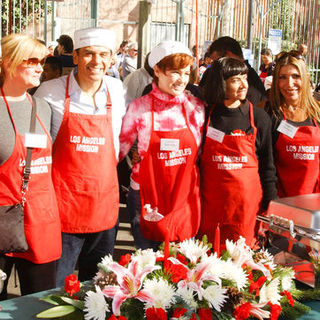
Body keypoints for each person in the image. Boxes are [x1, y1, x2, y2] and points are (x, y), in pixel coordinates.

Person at [35, 27, 126, 286]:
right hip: (62, 207)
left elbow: (119, 142)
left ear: (111, 59)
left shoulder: (117, 90)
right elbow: (42, 151)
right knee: (55, 287)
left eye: (103, 55)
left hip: (103, 205)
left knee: (96, 288)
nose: (96, 62)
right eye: (88, 54)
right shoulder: (50, 92)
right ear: (75, 57)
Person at [119, 40, 205, 250]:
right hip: (146, 197)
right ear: (156, 70)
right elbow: (118, 151)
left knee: (182, 267)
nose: (181, 80)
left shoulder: (196, 109)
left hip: (184, 197)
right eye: (175, 72)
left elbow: (201, 154)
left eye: (186, 73)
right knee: (148, 265)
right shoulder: (139, 108)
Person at [0, 34, 61, 299]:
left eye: (42, 61)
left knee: (40, 305)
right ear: (8, 63)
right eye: (32, 61)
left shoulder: (44, 108)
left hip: (41, 222)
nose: (40, 68)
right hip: (3, 226)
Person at [199, 57, 277, 248]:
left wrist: (270, 204)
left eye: (245, 77)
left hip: (247, 210)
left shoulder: (259, 118)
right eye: (235, 80)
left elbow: (268, 167)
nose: (243, 84)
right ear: (220, 83)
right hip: (211, 208)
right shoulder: (204, 116)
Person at [266, 51, 320, 197]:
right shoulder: (270, 115)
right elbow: (266, 167)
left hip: (315, 205)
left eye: (295, 76)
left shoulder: (318, 113)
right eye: (283, 77)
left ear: (305, 78)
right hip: (282, 206)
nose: (289, 84)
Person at [200, 36, 266, 107]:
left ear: (228, 55)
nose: (214, 66)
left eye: (216, 61)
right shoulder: (211, 73)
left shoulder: (254, 84)